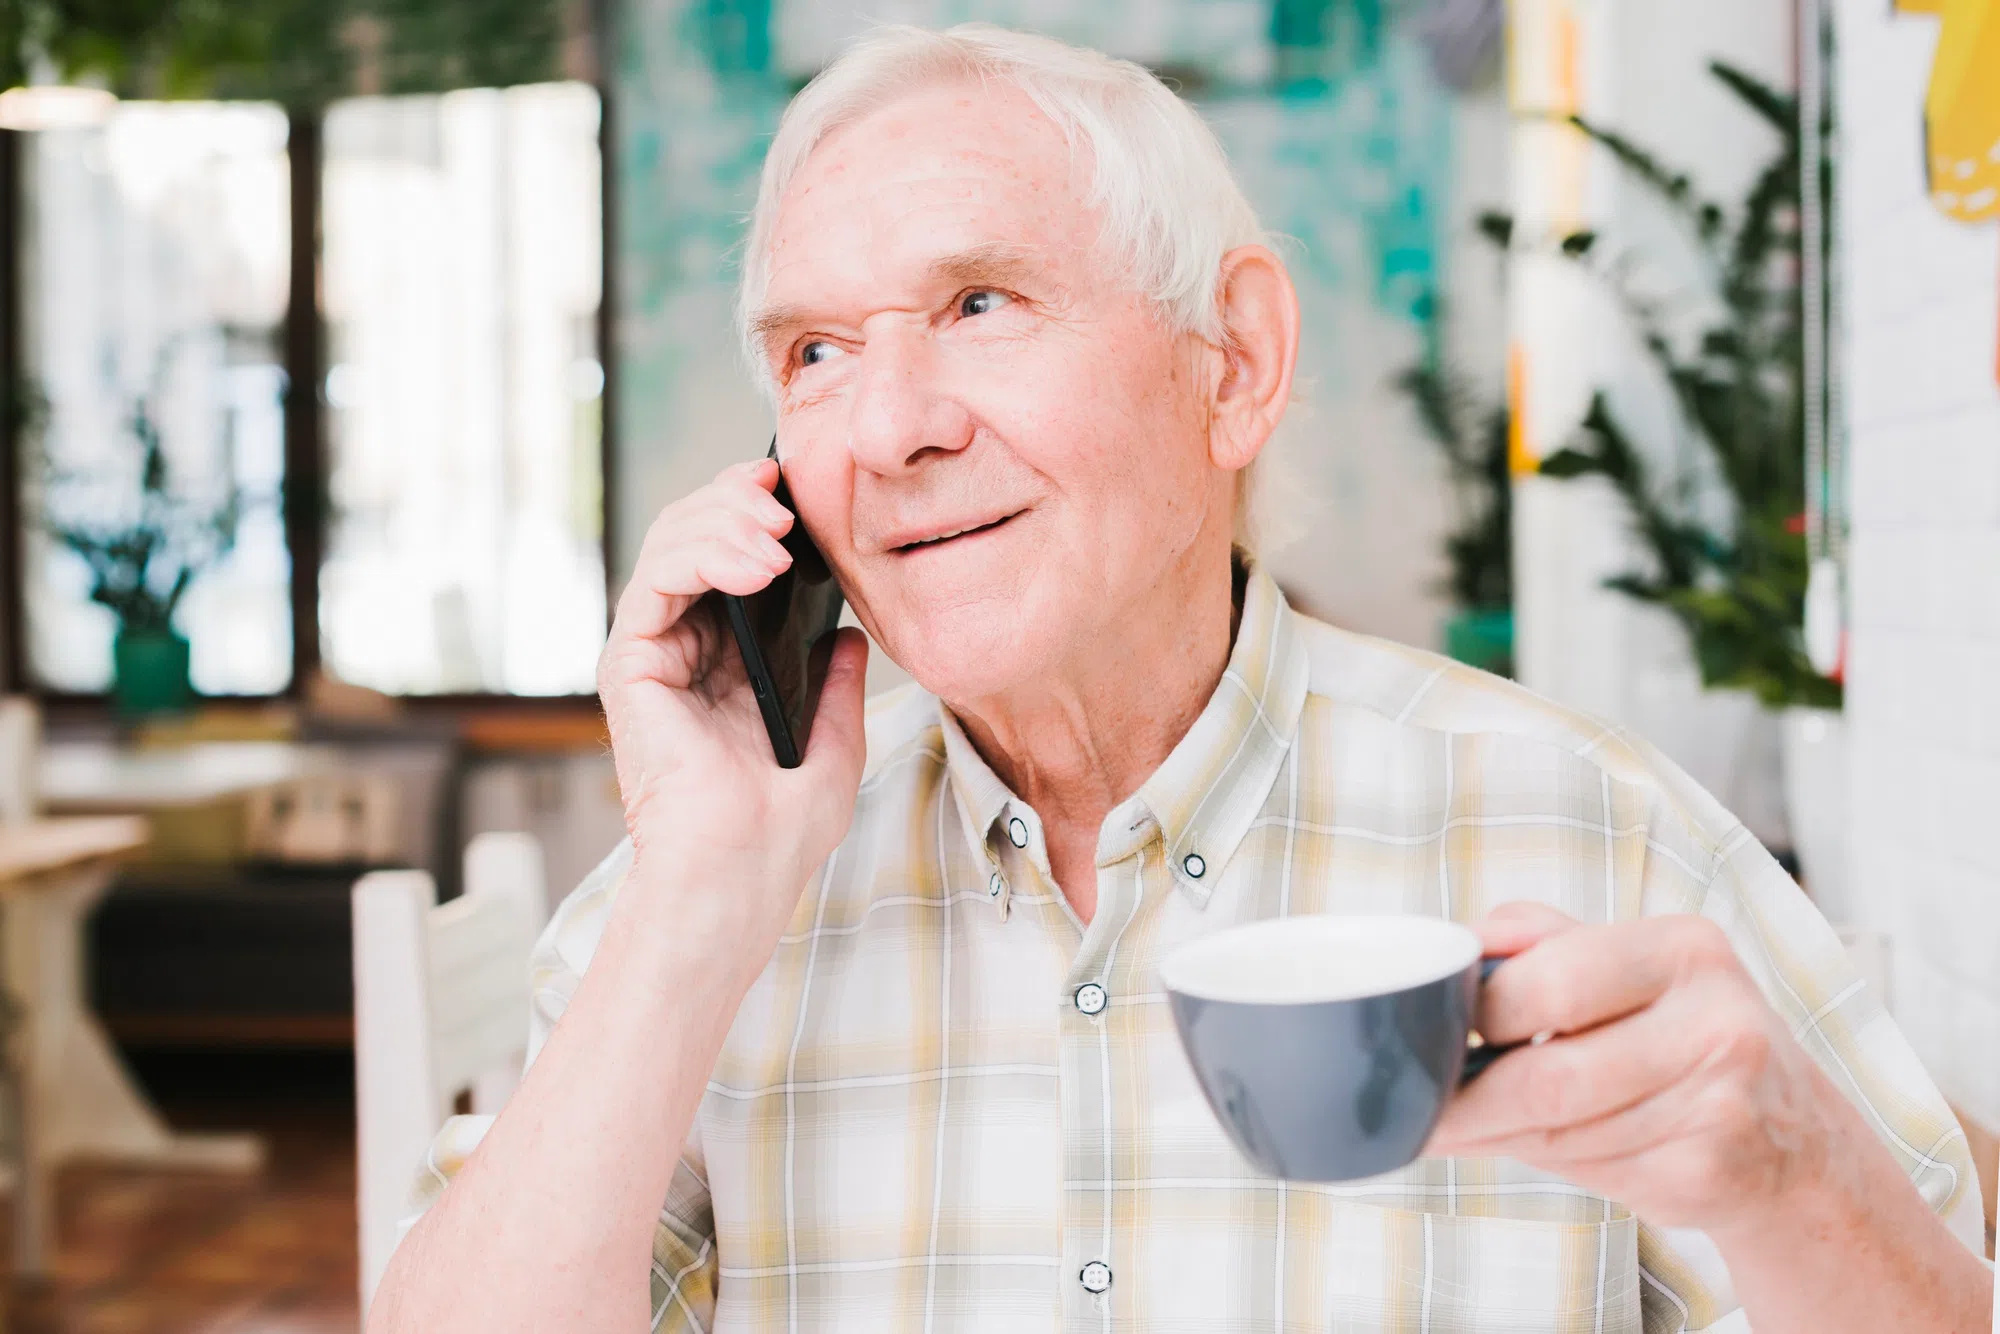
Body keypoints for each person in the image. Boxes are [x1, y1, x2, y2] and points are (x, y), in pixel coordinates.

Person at [370, 23, 1992, 1333]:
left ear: (1236, 363)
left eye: (981, 302)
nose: (887, 429)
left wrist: (1789, 1175)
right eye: (816, 354)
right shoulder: (709, 896)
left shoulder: (1592, 831)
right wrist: (701, 897)